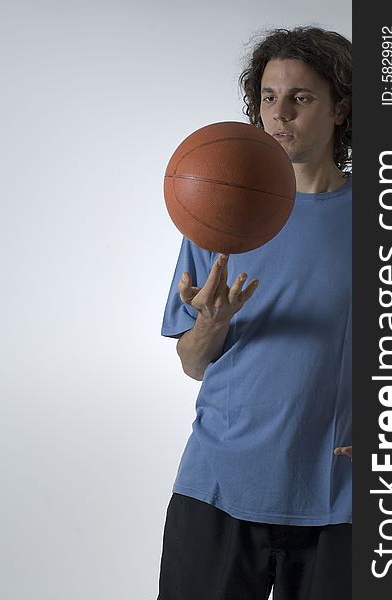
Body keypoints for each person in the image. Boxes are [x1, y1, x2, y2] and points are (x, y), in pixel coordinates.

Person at [157, 26, 352, 600]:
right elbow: (192, 362)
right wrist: (211, 325)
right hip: (217, 484)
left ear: (341, 109)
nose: (280, 113)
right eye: (268, 97)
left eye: (301, 97)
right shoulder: (217, 209)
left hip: (340, 497)